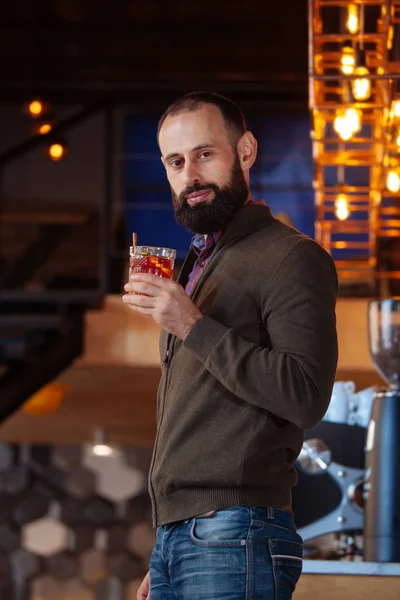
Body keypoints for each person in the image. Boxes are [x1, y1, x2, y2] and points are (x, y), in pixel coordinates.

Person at [122, 91, 338, 600]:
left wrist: (193, 324)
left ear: (245, 150)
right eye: (176, 162)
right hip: (185, 538)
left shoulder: (292, 258)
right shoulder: (195, 267)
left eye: (204, 154)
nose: (190, 175)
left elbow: (305, 394)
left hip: (237, 531)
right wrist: (170, 548)